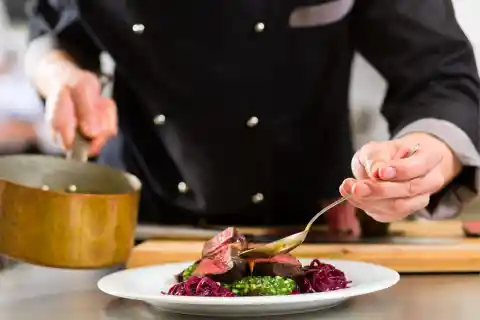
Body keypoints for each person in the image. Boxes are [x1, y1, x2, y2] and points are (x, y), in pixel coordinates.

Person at [24, 0, 480, 236]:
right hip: (141, 227)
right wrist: (60, 75)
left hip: (312, 229)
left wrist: (427, 159)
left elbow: (439, 73)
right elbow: (51, 28)